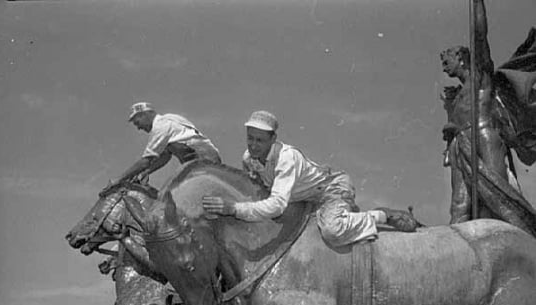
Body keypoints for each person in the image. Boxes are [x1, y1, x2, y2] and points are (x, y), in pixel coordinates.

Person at [202, 110, 420, 248]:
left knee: (333, 231)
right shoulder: (249, 159)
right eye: (250, 138)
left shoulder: (287, 158)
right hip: (301, 199)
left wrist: (233, 208)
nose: (253, 145)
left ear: (273, 139)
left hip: (331, 189)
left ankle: (381, 215)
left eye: (260, 140)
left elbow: (277, 205)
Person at [439, 0, 536, 235]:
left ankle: (517, 244)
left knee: (499, 197)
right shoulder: (457, 94)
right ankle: (456, 253)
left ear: (461, 57)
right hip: (460, 145)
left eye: (446, 61)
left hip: (485, 137)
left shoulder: (481, 76)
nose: (443, 68)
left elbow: (480, 34)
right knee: (459, 205)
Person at [100, 102, 221, 195]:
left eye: (137, 123)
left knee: (173, 197)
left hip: (202, 163)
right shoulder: (170, 118)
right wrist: (146, 172)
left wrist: (119, 179)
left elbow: (145, 161)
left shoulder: (160, 127)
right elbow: (165, 156)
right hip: (207, 159)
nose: (138, 128)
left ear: (144, 115)